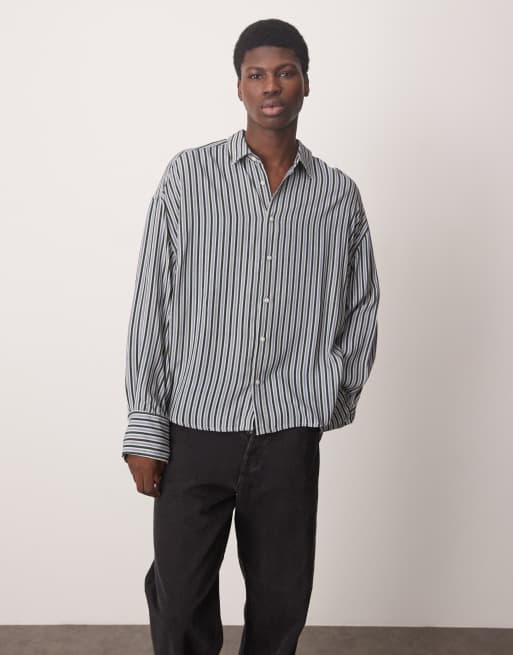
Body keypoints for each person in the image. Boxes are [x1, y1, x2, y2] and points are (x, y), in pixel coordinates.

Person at [122, 17, 380, 655]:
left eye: (285, 72)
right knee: (179, 596)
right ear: (238, 85)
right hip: (195, 426)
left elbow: (363, 304)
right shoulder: (189, 177)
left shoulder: (338, 195)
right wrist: (146, 426)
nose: (271, 86)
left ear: (306, 83)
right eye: (256, 74)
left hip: (289, 432)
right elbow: (151, 302)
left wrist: (330, 394)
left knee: (281, 598)